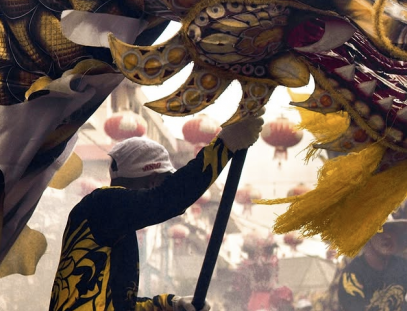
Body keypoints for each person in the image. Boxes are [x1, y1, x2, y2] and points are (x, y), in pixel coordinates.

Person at [49, 111, 264, 311]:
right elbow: (170, 198)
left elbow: (123, 305)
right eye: (162, 182)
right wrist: (224, 145)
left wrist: (171, 305)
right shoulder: (104, 204)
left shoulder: (114, 221)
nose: (160, 189)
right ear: (153, 182)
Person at [337, 206, 407, 311]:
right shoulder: (352, 275)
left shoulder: (402, 267)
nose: (388, 236)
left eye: (392, 230)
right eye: (380, 230)